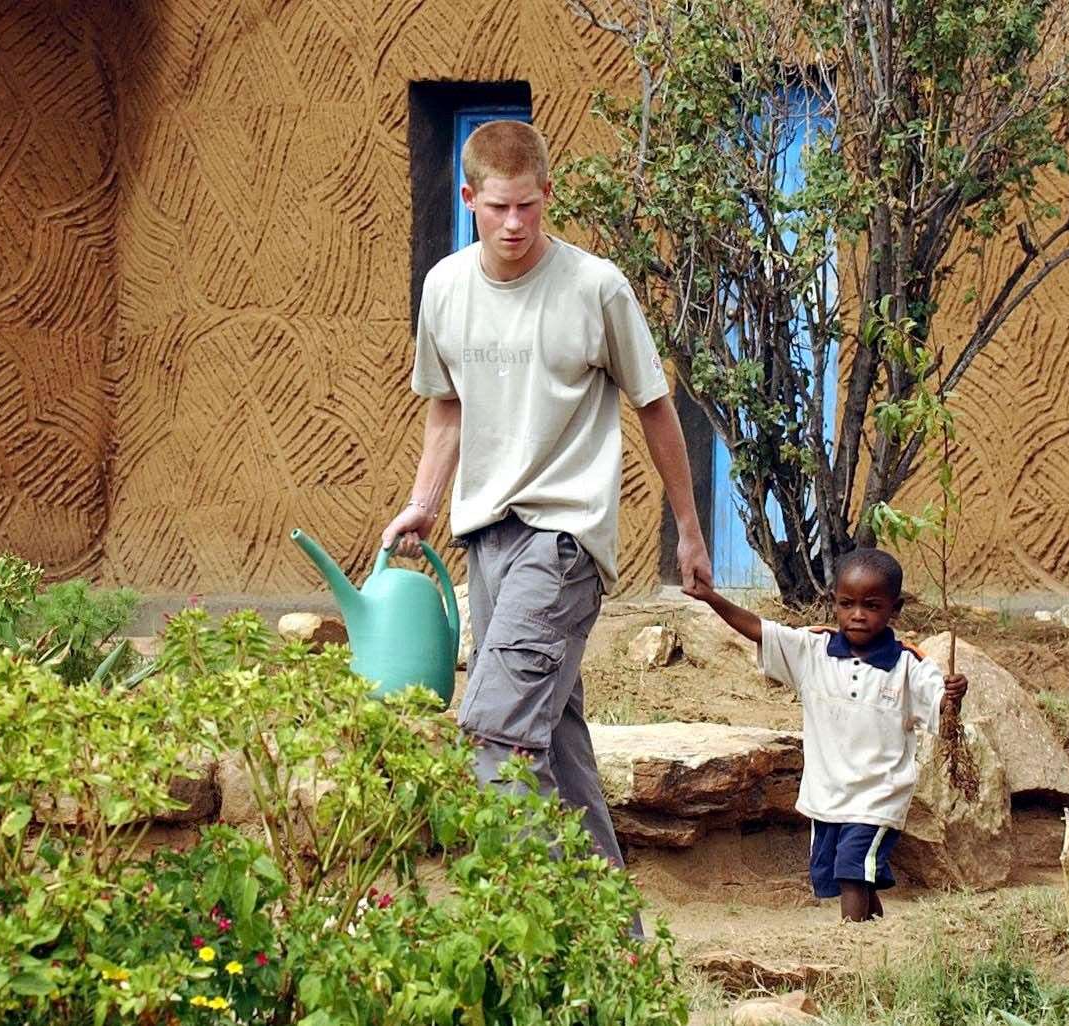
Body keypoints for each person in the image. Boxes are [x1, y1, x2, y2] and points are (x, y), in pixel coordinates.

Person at [381, 120, 713, 898]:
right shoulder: (445, 288)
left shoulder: (595, 287)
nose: (515, 224)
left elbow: (655, 405)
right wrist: (423, 503)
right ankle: (615, 955)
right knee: (556, 749)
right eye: (497, 207)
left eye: (529, 206)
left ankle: (538, 937)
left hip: (563, 540)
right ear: (468, 199)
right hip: (486, 539)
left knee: (494, 734)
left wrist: (689, 531)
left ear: (547, 195)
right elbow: (448, 408)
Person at [683, 548, 967, 921]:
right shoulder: (813, 650)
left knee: (852, 870)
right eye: (847, 604)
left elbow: (941, 712)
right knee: (852, 876)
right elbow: (760, 630)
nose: (858, 615)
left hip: (878, 796)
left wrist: (953, 697)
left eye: (872, 605)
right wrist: (711, 598)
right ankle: (877, 933)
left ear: (894, 609)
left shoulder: (909, 666)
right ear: (833, 603)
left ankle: (850, 945)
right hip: (827, 796)